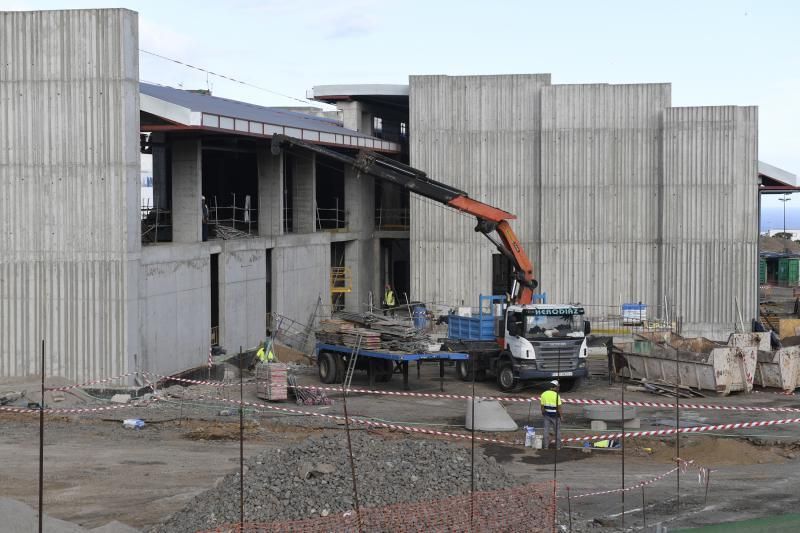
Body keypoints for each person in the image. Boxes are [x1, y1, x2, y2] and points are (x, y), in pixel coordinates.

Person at [540, 380, 563, 449]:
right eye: (557, 387)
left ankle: (546, 446)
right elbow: (559, 408)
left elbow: (542, 406)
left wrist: (543, 413)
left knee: (546, 431)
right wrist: (561, 416)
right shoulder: (556, 395)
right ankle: (558, 447)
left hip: (547, 415)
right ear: (554, 387)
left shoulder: (543, 394)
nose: (558, 389)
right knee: (557, 431)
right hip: (556, 416)